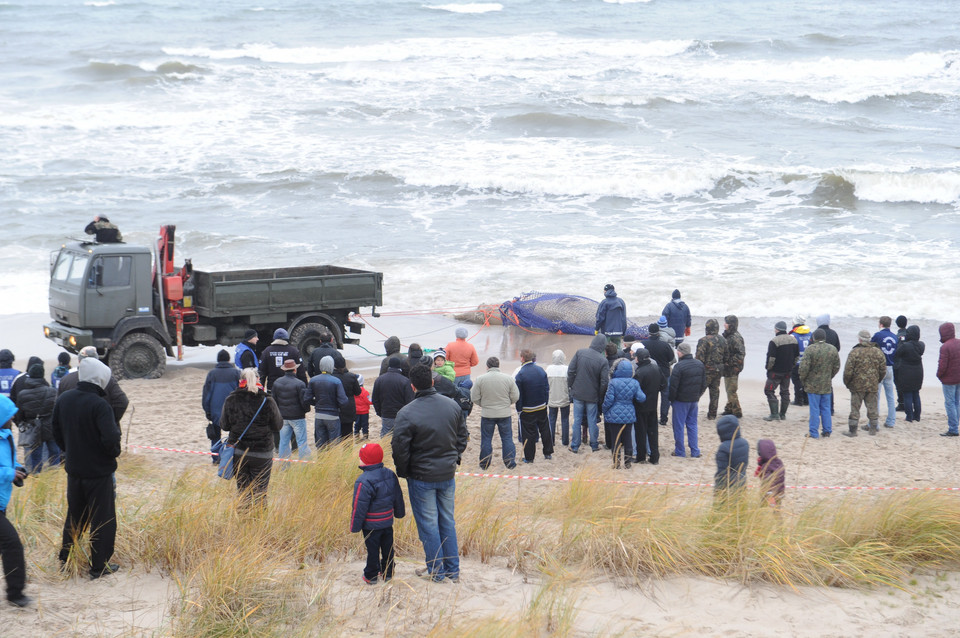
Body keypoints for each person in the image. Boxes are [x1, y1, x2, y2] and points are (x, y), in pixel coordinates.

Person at [392, 364, 469, 583]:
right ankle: (451, 570)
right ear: (433, 382)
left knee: (430, 524)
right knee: (446, 521)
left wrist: (405, 471)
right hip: (444, 472)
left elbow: (399, 449)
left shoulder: (406, 413)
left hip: (423, 476)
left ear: (413, 385)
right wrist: (453, 457)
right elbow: (462, 437)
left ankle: (437, 571)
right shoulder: (452, 406)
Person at [52, 358, 122, 579]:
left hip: (74, 469)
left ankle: (66, 559)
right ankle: (99, 566)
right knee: (103, 519)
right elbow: (111, 438)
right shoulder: (100, 405)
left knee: (75, 516)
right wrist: (111, 454)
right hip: (98, 472)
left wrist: (69, 451)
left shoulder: (64, 399)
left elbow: (56, 431)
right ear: (100, 379)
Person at [219, 369, 282, 509]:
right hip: (262, 453)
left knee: (243, 492)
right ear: (258, 380)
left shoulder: (231, 400)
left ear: (240, 381)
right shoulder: (267, 400)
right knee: (260, 492)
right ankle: (259, 525)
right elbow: (278, 425)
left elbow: (224, 425)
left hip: (239, 451)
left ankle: (244, 524)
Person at [350, 443, 405, 585]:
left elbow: (358, 506)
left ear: (366, 460)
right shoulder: (390, 474)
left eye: (361, 457)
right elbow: (398, 496)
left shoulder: (363, 481)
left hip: (371, 525)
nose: (359, 459)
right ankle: (388, 573)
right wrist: (399, 513)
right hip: (387, 521)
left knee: (373, 550)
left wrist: (355, 526)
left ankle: (371, 575)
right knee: (388, 548)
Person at [0, 395, 31, 607]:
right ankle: (15, 594)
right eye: (8, 416)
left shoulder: (5, 434)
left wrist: (18, 467)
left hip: (1, 502)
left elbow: (7, 461)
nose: (12, 419)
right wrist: (11, 474)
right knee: (12, 545)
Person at [56, 346, 129, 428]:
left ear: (79, 361)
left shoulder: (66, 380)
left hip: (74, 432)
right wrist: (110, 420)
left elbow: (58, 408)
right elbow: (122, 402)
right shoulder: (107, 379)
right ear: (97, 361)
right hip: (102, 430)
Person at [471, 357, 519, 469]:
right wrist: (506, 404)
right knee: (507, 438)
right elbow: (515, 396)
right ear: (498, 366)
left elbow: (474, 397)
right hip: (504, 413)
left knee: (486, 439)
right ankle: (509, 462)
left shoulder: (480, 379)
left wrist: (483, 405)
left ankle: (484, 464)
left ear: (487, 366)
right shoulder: (508, 378)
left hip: (487, 414)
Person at [566, 334, 610, 453]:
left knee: (577, 420)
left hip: (578, 393)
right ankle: (594, 445)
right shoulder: (603, 360)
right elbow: (604, 382)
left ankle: (575, 445)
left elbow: (570, 372)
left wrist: (571, 386)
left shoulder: (580, 352)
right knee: (592, 420)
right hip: (592, 395)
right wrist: (600, 395)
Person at [13, 364, 59, 473]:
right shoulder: (52, 391)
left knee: (35, 458)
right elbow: (56, 411)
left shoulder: (23, 394)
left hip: (33, 428)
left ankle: (36, 480)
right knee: (54, 455)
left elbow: (19, 415)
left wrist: (22, 425)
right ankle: (54, 479)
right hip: (50, 427)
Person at [841, 330, 887, 437]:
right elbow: (882, 370)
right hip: (872, 385)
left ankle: (853, 431)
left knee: (855, 409)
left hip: (857, 386)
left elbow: (848, 370)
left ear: (860, 339)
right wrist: (877, 380)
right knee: (872, 408)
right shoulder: (878, 352)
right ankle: (873, 430)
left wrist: (847, 383)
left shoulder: (854, 352)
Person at [602, 360, 645, 469]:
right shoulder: (634, 383)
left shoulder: (613, 382)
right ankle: (627, 462)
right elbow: (641, 398)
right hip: (629, 413)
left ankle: (616, 463)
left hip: (614, 414)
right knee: (628, 439)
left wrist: (604, 409)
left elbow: (609, 399)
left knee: (616, 440)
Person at [798, 329, 841, 439]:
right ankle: (827, 431)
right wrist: (829, 376)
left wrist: (803, 379)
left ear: (814, 338)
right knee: (826, 408)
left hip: (812, 385)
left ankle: (813, 432)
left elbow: (803, 368)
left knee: (814, 409)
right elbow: (837, 366)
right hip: (826, 383)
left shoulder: (810, 349)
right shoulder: (832, 349)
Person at [202, 349, 242, 464]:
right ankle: (231, 457)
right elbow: (240, 392)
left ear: (218, 360)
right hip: (233, 411)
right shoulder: (236, 373)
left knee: (215, 435)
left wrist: (207, 411)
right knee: (233, 435)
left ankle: (216, 459)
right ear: (229, 360)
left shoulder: (212, 374)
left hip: (215, 411)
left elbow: (206, 394)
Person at [515, 349, 553, 464]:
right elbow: (547, 388)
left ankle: (529, 457)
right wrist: (545, 402)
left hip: (527, 409)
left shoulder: (520, 374)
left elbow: (519, 395)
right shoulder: (541, 370)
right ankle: (548, 453)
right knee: (545, 429)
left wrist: (519, 409)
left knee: (528, 433)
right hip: (541, 406)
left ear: (522, 358)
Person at [669, 342, 706, 458]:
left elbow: (673, 387)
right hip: (693, 400)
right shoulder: (699, 364)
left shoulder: (679, 367)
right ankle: (695, 451)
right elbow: (704, 384)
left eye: (678, 351)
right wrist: (697, 395)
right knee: (692, 424)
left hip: (681, 401)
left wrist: (671, 400)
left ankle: (680, 451)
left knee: (679, 426)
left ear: (680, 352)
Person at [305, 356, 348, 448]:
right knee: (334, 445)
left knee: (320, 445)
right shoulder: (336, 381)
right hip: (333, 415)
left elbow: (307, 398)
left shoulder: (313, 380)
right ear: (331, 366)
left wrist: (316, 403)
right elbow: (343, 401)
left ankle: (321, 461)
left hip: (319, 415)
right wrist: (337, 406)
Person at [272, 359, 311, 461]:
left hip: (283, 417)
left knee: (283, 442)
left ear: (284, 370)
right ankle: (304, 466)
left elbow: (274, 401)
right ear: (295, 370)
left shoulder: (277, 382)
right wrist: (306, 410)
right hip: (297, 417)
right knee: (302, 441)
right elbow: (304, 401)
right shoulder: (300, 383)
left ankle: (284, 467)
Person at [763, 321, 799, 422]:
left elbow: (771, 358)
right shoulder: (793, 340)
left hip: (775, 372)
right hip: (787, 372)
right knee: (785, 391)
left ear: (776, 329)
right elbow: (797, 357)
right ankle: (782, 414)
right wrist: (791, 366)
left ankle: (774, 414)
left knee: (769, 390)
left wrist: (768, 369)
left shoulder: (774, 341)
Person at [632, 348, 662, 465]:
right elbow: (663, 385)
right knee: (653, 431)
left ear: (639, 358)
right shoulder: (657, 368)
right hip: (653, 405)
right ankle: (655, 457)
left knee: (641, 432)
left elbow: (635, 390)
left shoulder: (639, 372)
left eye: (636, 357)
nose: (635, 359)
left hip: (640, 407)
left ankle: (641, 457)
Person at [371, 357, 415, 437]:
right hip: (401, 415)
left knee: (386, 437)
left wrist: (380, 412)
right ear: (399, 367)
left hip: (386, 413)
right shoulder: (405, 381)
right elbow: (409, 401)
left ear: (389, 366)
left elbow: (375, 399)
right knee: (401, 436)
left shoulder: (379, 380)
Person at [643, 323, 676, 426]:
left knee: (650, 395)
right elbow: (672, 359)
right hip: (664, 373)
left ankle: (650, 417)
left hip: (649, 373)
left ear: (649, 333)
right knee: (665, 396)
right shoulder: (664, 345)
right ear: (659, 332)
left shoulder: (644, 344)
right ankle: (663, 418)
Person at [695, 318, 726, 420]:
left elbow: (699, 358)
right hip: (719, 370)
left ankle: (691, 411)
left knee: (698, 391)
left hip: (707, 371)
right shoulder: (723, 340)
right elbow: (727, 356)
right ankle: (712, 414)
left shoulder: (703, 340)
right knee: (715, 391)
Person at [871, 316, 898, 429]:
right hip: (890, 367)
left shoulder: (878, 335)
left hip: (879, 367)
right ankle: (891, 421)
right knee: (890, 395)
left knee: (876, 395)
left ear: (881, 324)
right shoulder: (894, 337)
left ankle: (874, 423)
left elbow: (871, 348)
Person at [894, 326, 924, 423]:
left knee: (907, 394)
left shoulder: (905, 346)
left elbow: (897, 353)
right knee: (916, 394)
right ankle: (917, 416)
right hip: (918, 371)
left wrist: (901, 341)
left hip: (906, 372)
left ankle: (909, 416)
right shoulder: (921, 345)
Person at [714, 415, 749, 497]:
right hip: (742, 480)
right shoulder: (744, 443)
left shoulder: (724, 447)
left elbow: (722, 472)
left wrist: (718, 490)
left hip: (728, 484)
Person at [938, 323, 960, 437]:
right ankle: (955, 425)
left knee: (950, 403)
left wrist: (939, 375)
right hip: (958, 378)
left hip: (949, 380)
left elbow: (942, 365)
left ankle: (953, 428)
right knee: (957, 402)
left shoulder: (945, 347)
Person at [545, 350, 571, 447]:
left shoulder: (548, 369)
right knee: (565, 419)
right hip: (564, 397)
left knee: (552, 419)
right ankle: (565, 441)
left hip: (552, 397)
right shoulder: (566, 369)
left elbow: (546, 384)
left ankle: (551, 441)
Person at [721, 315, 745, 418]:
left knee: (731, 390)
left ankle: (737, 411)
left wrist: (730, 363)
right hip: (728, 367)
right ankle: (729, 408)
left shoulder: (735, 337)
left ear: (731, 325)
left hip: (733, 367)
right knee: (728, 388)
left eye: (726, 323)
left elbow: (740, 354)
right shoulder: (728, 335)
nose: (724, 324)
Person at [333, 361, 362, 439]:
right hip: (349, 407)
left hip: (336, 406)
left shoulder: (332, 377)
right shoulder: (351, 376)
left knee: (336, 434)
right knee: (348, 434)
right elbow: (358, 392)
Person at [755, 439, 785, 508]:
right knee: (777, 509)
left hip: (769, 493)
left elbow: (767, 480)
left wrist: (768, 494)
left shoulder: (767, 465)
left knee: (764, 509)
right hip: (779, 491)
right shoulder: (778, 461)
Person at [595, 284, 627, 348]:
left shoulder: (604, 302)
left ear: (605, 291)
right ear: (614, 290)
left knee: (604, 350)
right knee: (617, 351)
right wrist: (623, 332)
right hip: (618, 332)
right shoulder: (621, 301)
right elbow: (623, 319)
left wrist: (597, 329)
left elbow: (600, 318)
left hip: (606, 333)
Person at [789, 316, 812, 406]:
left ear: (795, 323)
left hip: (797, 363)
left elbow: (790, 350)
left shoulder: (793, 335)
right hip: (808, 363)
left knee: (797, 381)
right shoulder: (811, 334)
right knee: (806, 381)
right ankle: (806, 400)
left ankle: (798, 400)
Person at [894, 315, 909, 411]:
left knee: (898, 384)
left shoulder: (896, 337)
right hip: (908, 363)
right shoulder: (911, 335)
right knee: (907, 384)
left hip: (898, 364)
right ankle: (907, 403)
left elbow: (896, 351)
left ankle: (901, 403)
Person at [354, 375, 372, 439]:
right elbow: (369, 401)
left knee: (357, 424)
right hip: (364, 412)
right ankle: (365, 435)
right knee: (365, 424)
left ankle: (356, 434)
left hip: (356, 411)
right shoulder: (365, 392)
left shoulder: (353, 391)